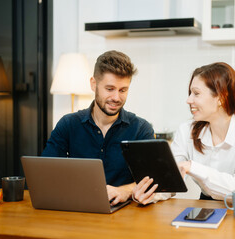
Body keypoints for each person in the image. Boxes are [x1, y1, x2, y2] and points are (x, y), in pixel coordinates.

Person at [133, 62, 235, 205]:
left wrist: (192, 167)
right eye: (190, 93)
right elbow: (170, 180)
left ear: (221, 97)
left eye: (196, 93)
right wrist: (149, 194)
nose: (189, 100)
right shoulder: (187, 131)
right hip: (205, 206)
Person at [42, 50, 155, 205]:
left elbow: (152, 181)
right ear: (93, 84)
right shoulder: (68, 124)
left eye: (123, 90)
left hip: (125, 214)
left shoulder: (141, 129)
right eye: (109, 89)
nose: (116, 97)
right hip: (77, 208)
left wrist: (125, 191)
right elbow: (46, 173)